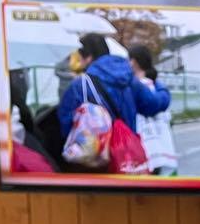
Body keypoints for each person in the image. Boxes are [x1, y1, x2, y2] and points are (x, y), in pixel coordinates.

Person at [56, 33, 171, 141]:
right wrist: (160, 87)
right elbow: (153, 104)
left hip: (94, 151)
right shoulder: (129, 80)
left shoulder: (79, 86)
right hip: (124, 149)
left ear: (89, 57)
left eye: (80, 55)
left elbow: (66, 124)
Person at [128, 45, 178, 176]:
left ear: (134, 62)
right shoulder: (159, 87)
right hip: (162, 144)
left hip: (144, 146)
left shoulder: (132, 88)